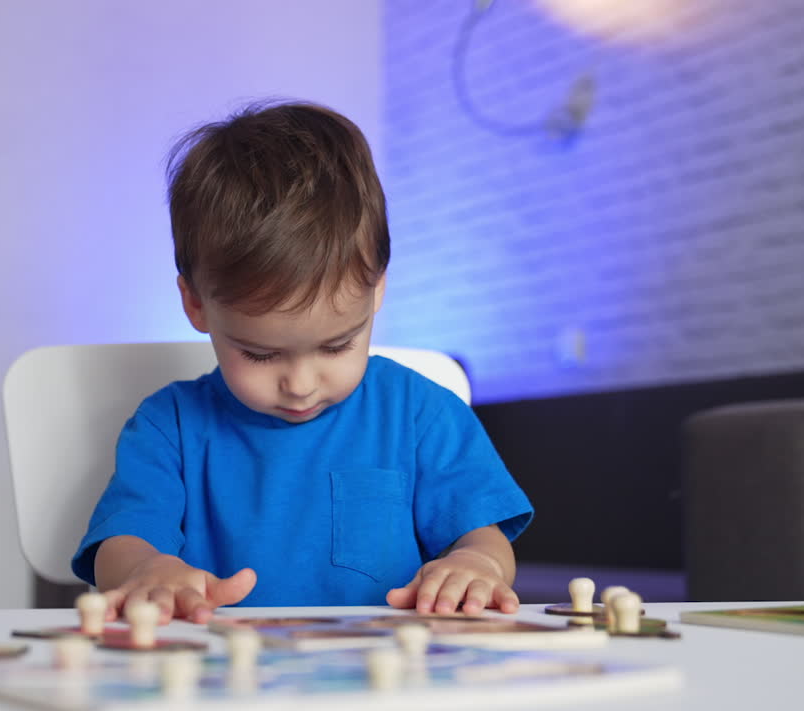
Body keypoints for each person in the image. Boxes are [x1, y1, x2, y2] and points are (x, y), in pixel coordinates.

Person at [72, 101, 532, 624]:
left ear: (377, 288)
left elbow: (485, 539)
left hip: (386, 683)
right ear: (196, 304)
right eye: (261, 354)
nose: (301, 384)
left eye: (336, 346)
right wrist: (146, 572)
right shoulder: (169, 426)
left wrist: (474, 564)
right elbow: (122, 544)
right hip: (218, 686)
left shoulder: (422, 415)